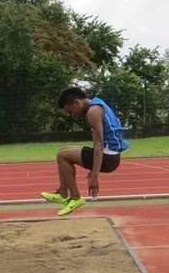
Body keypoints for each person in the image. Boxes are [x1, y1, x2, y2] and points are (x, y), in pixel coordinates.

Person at [41, 87, 130, 216]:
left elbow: (99, 145)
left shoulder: (93, 112)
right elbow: (97, 143)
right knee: (63, 150)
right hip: (109, 154)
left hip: (109, 158)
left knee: (62, 155)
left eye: (71, 112)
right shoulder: (96, 104)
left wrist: (95, 175)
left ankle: (75, 197)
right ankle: (62, 193)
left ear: (77, 102)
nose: (73, 116)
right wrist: (93, 166)